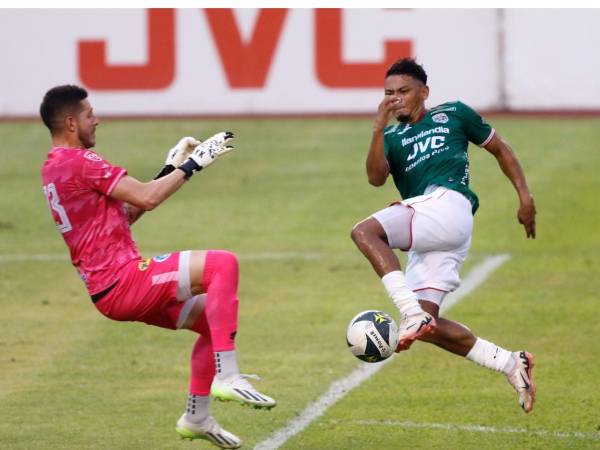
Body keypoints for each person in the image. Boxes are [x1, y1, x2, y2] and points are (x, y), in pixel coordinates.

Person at [40, 85, 276, 449]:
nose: (96, 120)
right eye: (89, 115)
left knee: (213, 323)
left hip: (110, 289)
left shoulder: (55, 167)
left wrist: (170, 169)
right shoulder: (81, 162)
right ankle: (227, 376)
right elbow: (148, 197)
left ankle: (196, 417)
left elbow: (128, 213)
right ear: (71, 123)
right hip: (123, 282)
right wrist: (194, 165)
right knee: (222, 265)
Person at [350, 58, 537, 413]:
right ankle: (511, 362)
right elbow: (375, 178)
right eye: (389, 93)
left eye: (403, 91)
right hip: (433, 231)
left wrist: (524, 197)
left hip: (448, 205)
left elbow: (500, 149)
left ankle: (410, 312)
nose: (395, 99)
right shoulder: (391, 137)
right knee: (428, 327)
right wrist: (377, 129)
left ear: (424, 92)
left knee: (364, 232)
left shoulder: (453, 114)